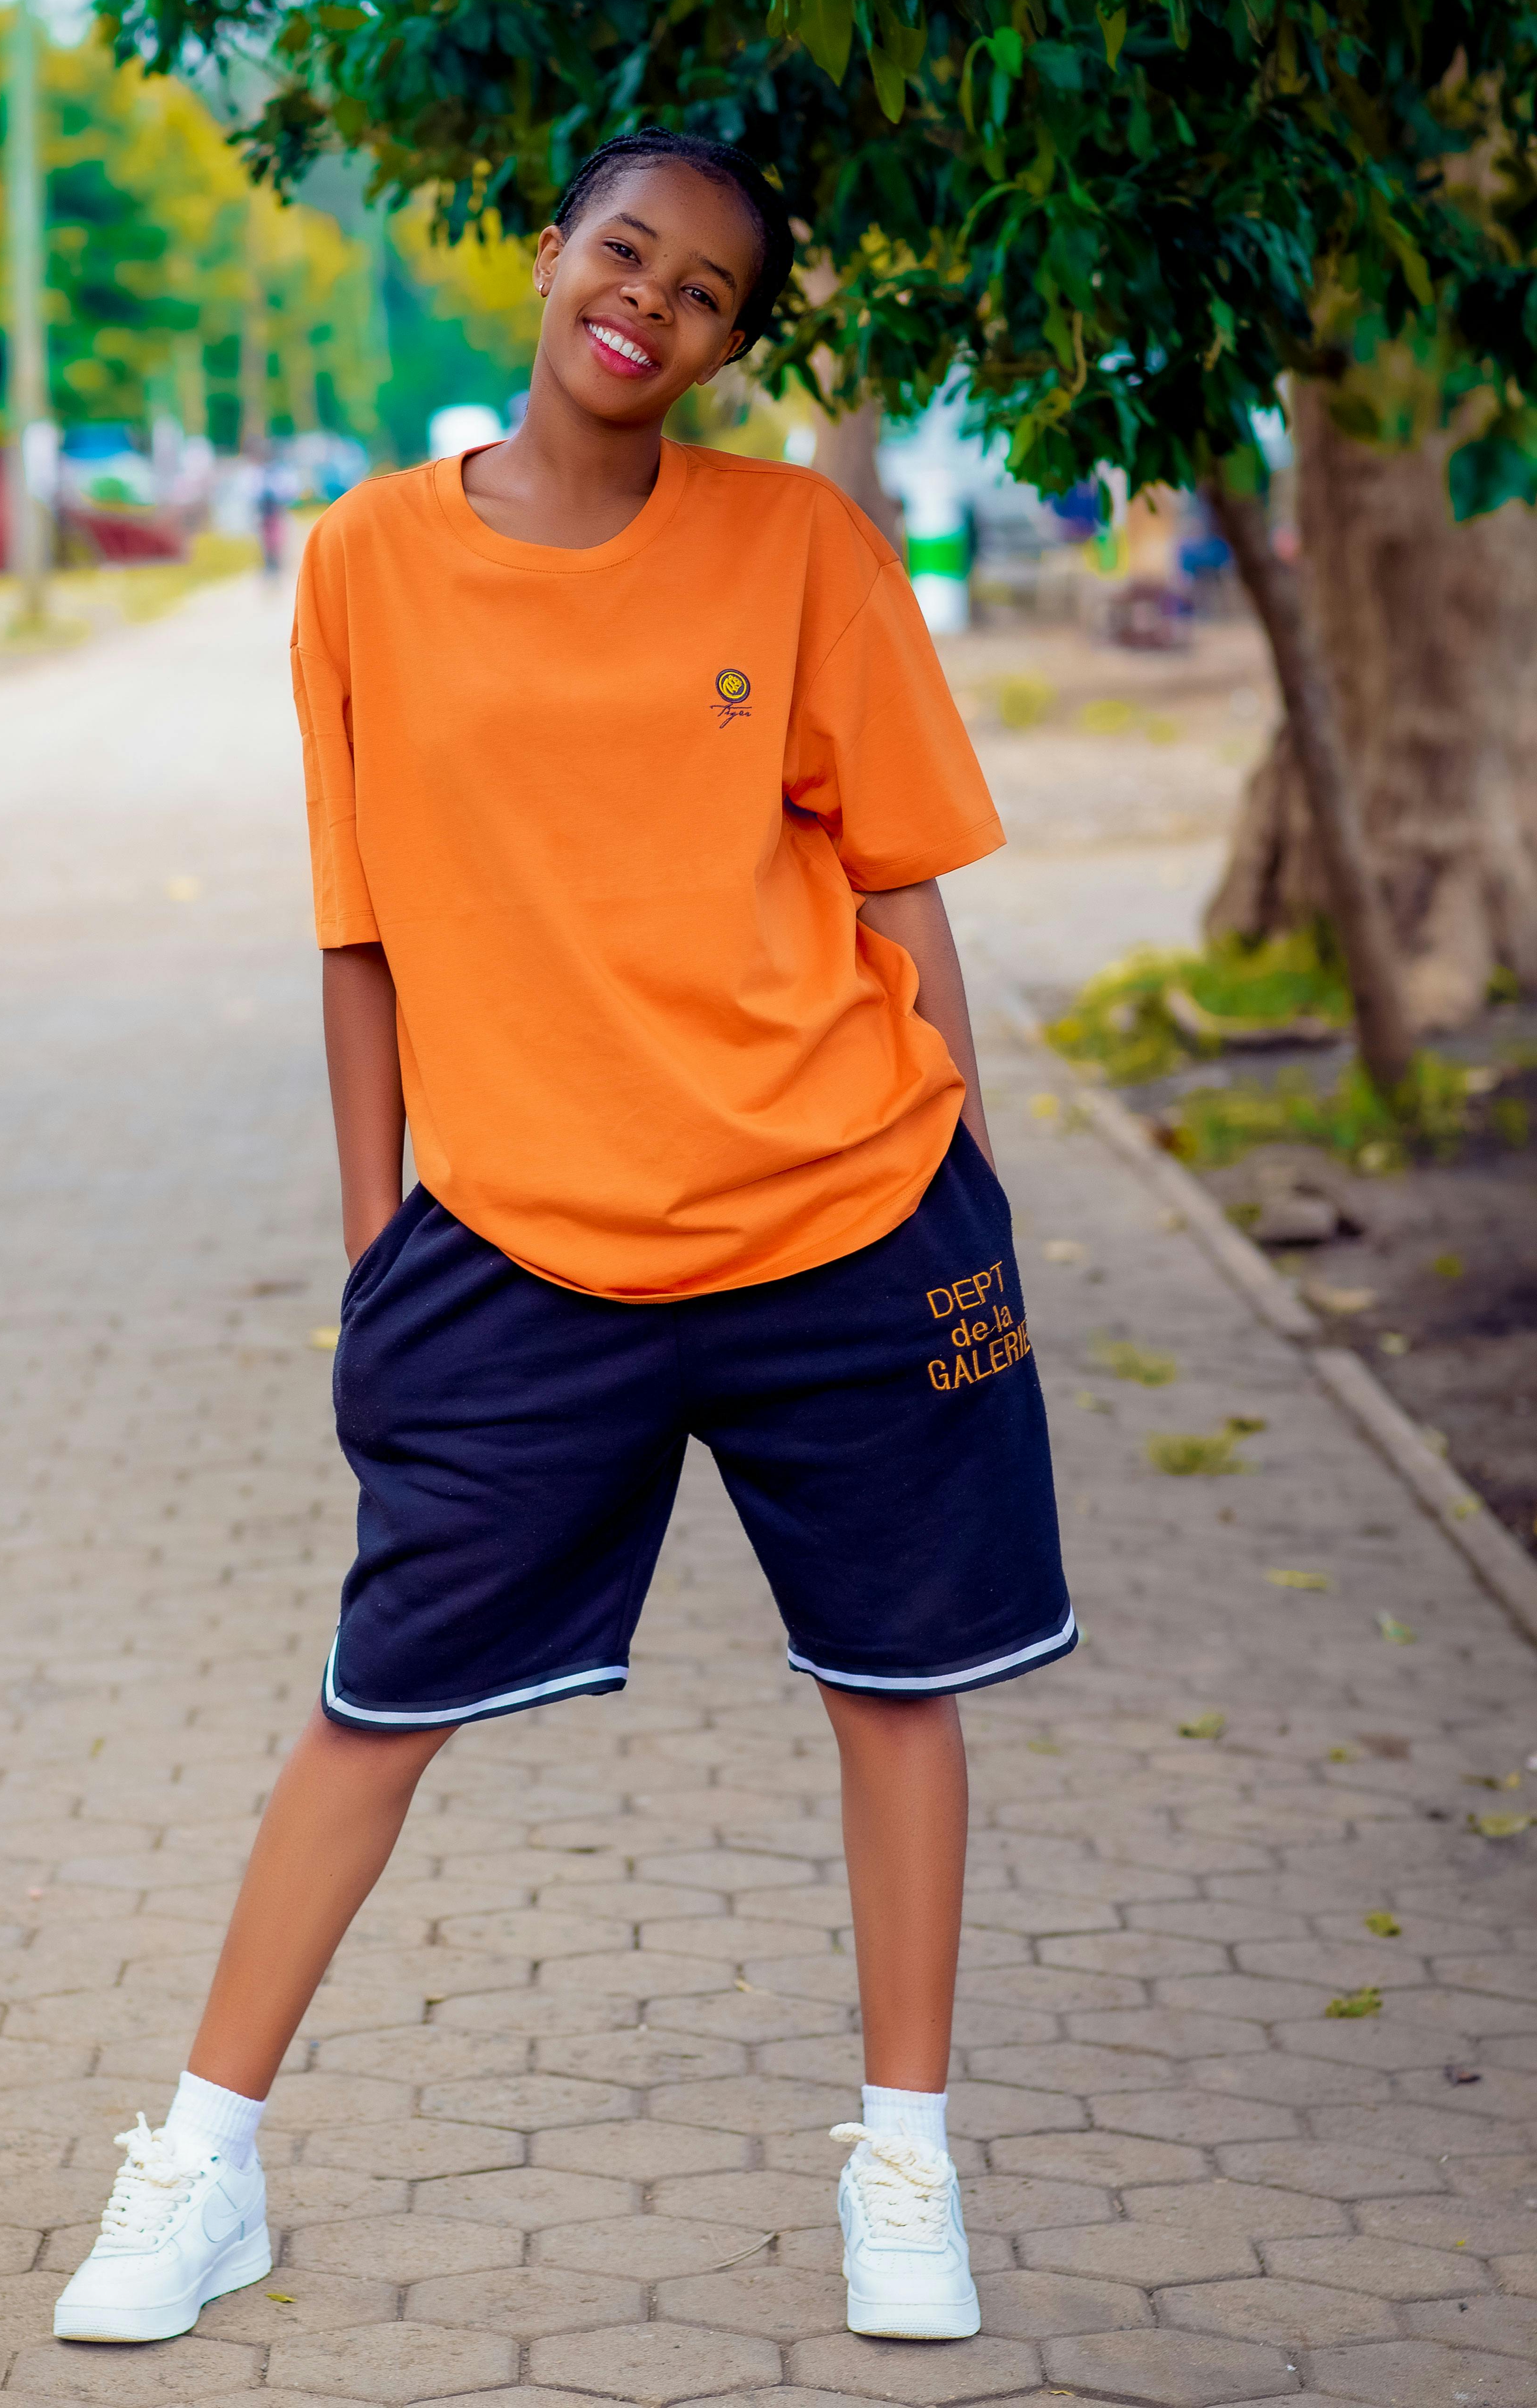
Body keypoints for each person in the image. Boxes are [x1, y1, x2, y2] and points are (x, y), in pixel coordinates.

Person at [54, 126, 1072, 2353]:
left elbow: (896, 882)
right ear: (550, 260)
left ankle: (903, 2158)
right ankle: (200, 2159)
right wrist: (369, 1249)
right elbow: (358, 929)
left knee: (891, 1693)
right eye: (628, 255)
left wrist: (967, 1192)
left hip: (846, 1218)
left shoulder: (799, 544)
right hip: (518, 1241)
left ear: (730, 341)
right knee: (374, 1703)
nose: (653, 306)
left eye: (708, 292)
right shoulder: (362, 561)